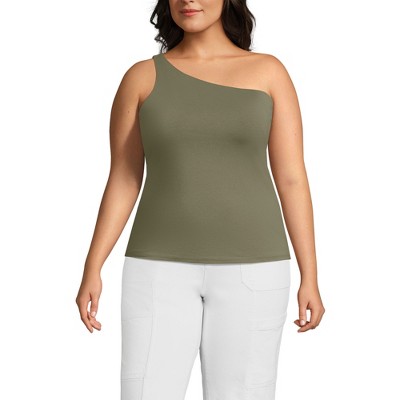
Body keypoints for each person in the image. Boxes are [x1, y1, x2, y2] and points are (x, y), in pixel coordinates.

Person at [76, 1, 325, 399]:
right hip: (156, 270)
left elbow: (292, 179)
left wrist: (309, 275)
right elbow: (124, 177)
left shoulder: (269, 72)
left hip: (254, 270)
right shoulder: (141, 77)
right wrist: (93, 265)